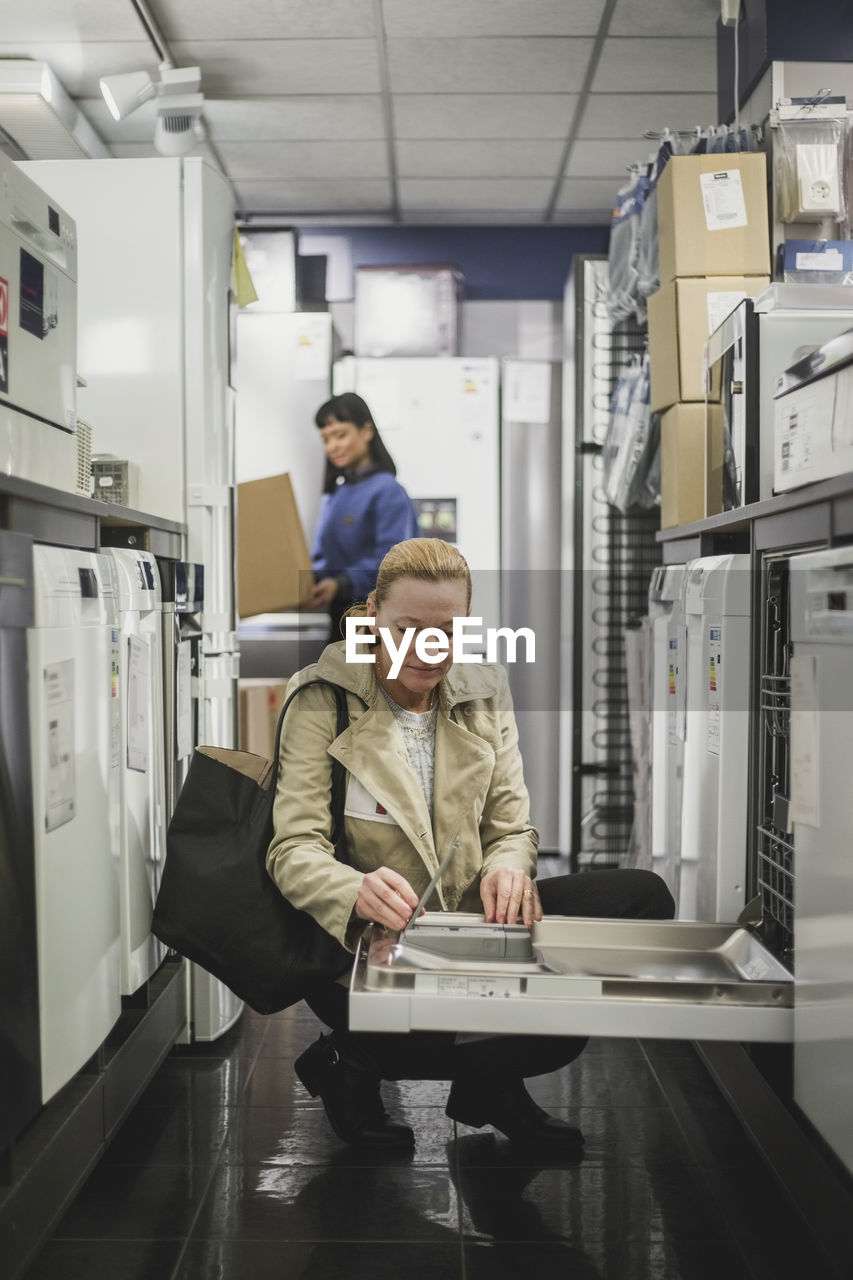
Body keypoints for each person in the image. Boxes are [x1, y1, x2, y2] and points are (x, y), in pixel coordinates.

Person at [267, 538, 675, 1151]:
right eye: (407, 628)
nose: (429, 650)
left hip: (468, 924)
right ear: (373, 614)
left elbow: (510, 826)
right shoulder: (321, 695)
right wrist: (357, 889)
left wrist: (510, 867)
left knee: (643, 902)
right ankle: (353, 1061)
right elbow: (293, 848)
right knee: (532, 1022)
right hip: (366, 944)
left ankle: (483, 1082)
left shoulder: (485, 688)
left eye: (447, 631)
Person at [308, 391, 418, 640]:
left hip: (377, 619)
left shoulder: (388, 491)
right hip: (341, 616)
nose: (331, 446)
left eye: (340, 435)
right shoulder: (338, 492)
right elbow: (324, 556)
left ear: (366, 431)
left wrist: (341, 583)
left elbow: (393, 561)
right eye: (325, 439)